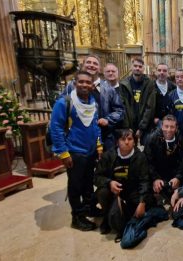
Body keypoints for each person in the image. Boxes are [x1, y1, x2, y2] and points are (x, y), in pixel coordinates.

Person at [50, 71, 102, 231]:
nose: (85, 85)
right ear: (75, 83)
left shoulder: (93, 102)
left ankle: (88, 208)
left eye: (88, 82)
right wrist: (63, 153)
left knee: (88, 183)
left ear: (92, 85)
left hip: (90, 151)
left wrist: (99, 145)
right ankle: (77, 216)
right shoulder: (65, 103)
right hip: (74, 151)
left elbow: (95, 126)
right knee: (75, 185)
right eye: (81, 82)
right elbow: (56, 128)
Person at [94, 129, 153, 237]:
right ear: (117, 142)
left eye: (130, 139)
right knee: (102, 192)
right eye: (123, 139)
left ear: (134, 142)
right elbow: (96, 177)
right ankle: (106, 217)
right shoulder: (108, 155)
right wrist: (109, 182)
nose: (126, 142)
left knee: (142, 210)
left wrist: (142, 202)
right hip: (113, 192)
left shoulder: (140, 157)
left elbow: (145, 181)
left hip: (132, 191)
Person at [64, 56, 124, 151]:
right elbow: (62, 110)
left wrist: (108, 120)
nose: (91, 65)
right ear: (83, 65)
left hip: (104, 136)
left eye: (95, 63)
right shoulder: (72, 86)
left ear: (99, 68)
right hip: (78, 139)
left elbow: (120, 110)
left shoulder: (108, 88)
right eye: (88, 62)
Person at [143, 115, 183, 204]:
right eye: (166, 126)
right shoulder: (152, 139)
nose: (169, 130)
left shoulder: (181, 140)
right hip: (157, 173)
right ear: (162, 126)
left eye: (172, 127)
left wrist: (178, 177)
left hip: (173, 174)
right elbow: (148, 162)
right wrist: (155, 179)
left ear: (176, 128)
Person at [119, 58, 157, 144]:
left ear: (143, 68)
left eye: (140, 66)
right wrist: (127, 126)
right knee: (129, 148)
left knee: (147, 148)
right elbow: (123, 106)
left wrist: (142, 128)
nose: (137, 68)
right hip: (129, 124)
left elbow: (150, 106)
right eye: (135, 66)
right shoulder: (124, 84)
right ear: (131, 67)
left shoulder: (149, 84)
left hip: (145, 123)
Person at [168, 68, 183, 139]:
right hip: (177, 130)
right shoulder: (171, 95)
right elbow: (170, 114)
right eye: (177, 77)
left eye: (182, 77)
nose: (179, 79)